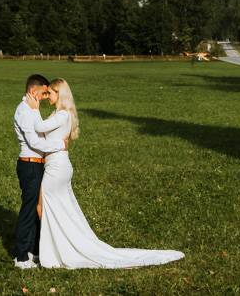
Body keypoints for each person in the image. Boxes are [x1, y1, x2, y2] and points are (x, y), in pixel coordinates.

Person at [34, 78, 184, 269]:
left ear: (59, 93)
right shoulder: (58, 114)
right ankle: (57, 247)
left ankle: (56, 249)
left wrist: (34, 107)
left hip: (57, 167)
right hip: (56, 165)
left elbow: (38, 128)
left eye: (50, 93)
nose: (47, 96)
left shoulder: (62, 115)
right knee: (59, 209)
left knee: (43, 206)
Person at [12, 73, 62, 269]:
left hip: (36, 164)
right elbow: (34, 141)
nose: (45, 96)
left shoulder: (32, 109)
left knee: (36, 209)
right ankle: (21, 257)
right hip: (30, 165)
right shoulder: (25, 111)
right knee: (29, 209)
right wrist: (60, 145)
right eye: (43, 92)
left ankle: (33, 251)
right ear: (33, 90)